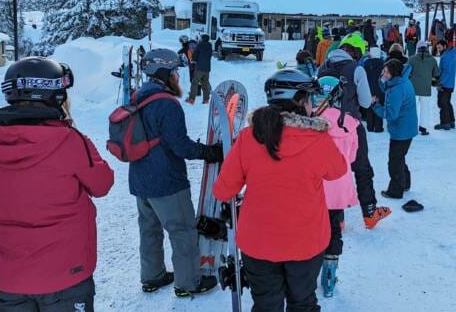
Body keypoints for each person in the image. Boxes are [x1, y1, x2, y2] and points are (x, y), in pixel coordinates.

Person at [0, 57, 114, 311]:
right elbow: (102, 184)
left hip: (11, 278)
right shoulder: (69, 141)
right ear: (55, 96)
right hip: (65, 274)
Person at [213, 69, 348, 311]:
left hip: (258, 244)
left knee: (266, 305)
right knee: (303, 303)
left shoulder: (248, 137)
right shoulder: (317, 140)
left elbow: (223, 190)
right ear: (298, 100)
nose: (312, 104)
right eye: (309, 98)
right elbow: (338, 171)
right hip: (306, 244)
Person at [132, 49, 223, 296]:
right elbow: (180, 145)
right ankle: (188, 282)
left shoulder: (137, 96)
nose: (177, 77)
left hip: (140, 179)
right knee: (182, 230)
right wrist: (209, 152)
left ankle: (152, 277)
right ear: (164, 74)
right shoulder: (166, 103)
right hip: (167, 181)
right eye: (174, 72)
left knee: (149, 229)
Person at [319, 35, 392, 229]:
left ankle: (336, 217)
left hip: (323, 127)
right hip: (349, 127)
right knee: (362, 169)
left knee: (331, 170)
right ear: (356, 51)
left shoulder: (322, 68)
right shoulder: (356, 69)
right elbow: (366, 102)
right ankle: (369, 213)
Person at [311, 75, 360, 297]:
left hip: (316, 186)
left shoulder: (309, 122)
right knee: (333, 230)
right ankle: (330, 276)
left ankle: (308, 273)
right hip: (339, 186)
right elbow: (351, 157)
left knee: (311, 229)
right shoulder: (349, 123)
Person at [373, 58, 417, 199]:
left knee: (394, 161)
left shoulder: (397, 89)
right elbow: (387, 87)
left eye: (386, 72)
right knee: (400, 157)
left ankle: (395, 191)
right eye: (383, 71)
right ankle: (405, 183)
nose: (383, 74)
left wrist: (375, 105)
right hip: (407, 128)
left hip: (401, 131)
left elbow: (391, 114)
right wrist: (382, 80)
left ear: (394, 73)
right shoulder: (401, 81)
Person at [408, 42, 438, 135]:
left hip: (413, 88)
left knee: (413, 109)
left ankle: (411, 127)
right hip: (426, 89)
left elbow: (407, 73)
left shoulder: (411, 59)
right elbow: (436, 74)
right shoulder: (432, 60)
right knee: (425, 109)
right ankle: (423, 128)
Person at [435, 40, 456, 130]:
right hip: (450, 83)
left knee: (442, 103)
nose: (438, 50)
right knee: (447, 102)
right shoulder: (450, 54)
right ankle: (451, 121)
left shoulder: (446, 56)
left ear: (444, 46)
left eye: (439, 47)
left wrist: (440, 83)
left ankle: (445, 123)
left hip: (445, 84)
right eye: (437, 48)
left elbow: (446, 72)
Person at [362, 47, 385, 133]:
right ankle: (378, 127)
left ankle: (370, 126)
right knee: (379, 106)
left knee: (369, 107)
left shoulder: (366, 64)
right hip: (379, 88)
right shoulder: (383, 63)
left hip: (368, 88)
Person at [187, 34, 212, 104]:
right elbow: (210, 56)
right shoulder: (210, 46)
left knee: (194, 83)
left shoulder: (200, 45)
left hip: (199, 68)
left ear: (202, 39)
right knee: (205, 84)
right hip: (207, 69)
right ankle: (206, 100)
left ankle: (191, 99)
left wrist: (193, 60)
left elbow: (195, 54)